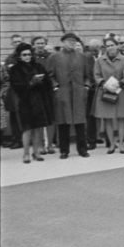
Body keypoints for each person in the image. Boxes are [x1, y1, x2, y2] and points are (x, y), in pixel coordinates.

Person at [47, 31, 93, 159]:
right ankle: (64, 150)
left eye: (74, 41)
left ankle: (82, 149)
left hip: (79, 92)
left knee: (80, 123)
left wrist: (86, 86)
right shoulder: (54, 57)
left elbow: (88, 75)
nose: (71, 43)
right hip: (63, 92)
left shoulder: (82, 56)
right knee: (63, 123)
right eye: (69, 41)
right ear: (63, 42)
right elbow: (50, 75)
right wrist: (55, 87)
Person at [7, 43, 53, 163]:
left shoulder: (38, 66)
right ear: (19, 56)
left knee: (38, 128)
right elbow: (16, 86)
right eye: (24, 55)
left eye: (29, 54)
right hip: (25, 101)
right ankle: (26, 153)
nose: (27, 56)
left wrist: (41, 82)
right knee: (27, 128)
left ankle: (36, 152)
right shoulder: (15, 69)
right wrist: (31, 83)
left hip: (39, 101)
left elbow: (48, 82)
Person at [93, 37, 124, 153]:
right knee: (108, 118)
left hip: (121, 91)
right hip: (106, 92)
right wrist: (103, 83)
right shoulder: (100, 60)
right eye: (108, 46)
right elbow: (96, 75)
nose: (110, 47)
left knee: (121, 117)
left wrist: (122, 82)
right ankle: (111, 144)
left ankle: (121, 143)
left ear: (117, 46)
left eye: (112, 45)